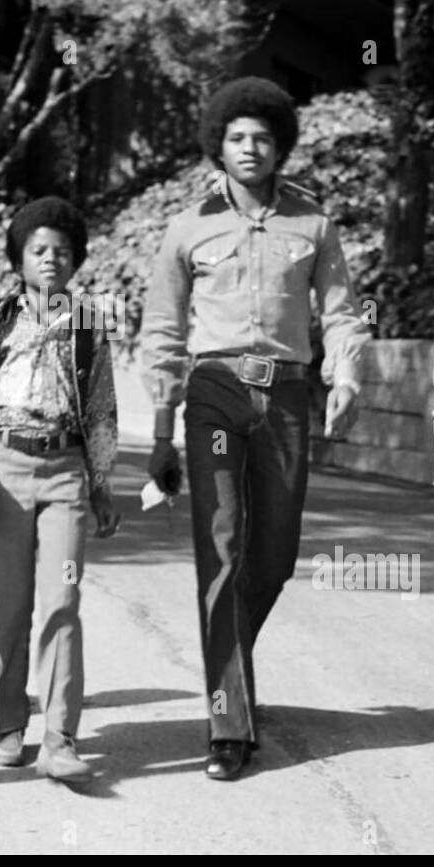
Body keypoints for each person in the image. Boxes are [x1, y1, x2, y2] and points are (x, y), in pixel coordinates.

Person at [140, 77, 369, 781]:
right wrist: (158, 429)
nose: (250, 148)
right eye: (237, 137)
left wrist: (349, 374)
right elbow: (163, 331)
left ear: (279, 146)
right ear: (220, 144)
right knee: (222, 547)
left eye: (262, 138)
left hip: (289, 395)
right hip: (214, 393)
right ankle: (229, 724)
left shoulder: (315, 224)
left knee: (273, 554)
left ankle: (227, 666)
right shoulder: (187, 228)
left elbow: (342, 310)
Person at [0, 197, 120, 785]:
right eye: (39, 250)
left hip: (65, 470)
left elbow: (100, 410)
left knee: (62, 603)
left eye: (62, 252)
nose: (51, 260)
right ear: (19, 258)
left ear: (76, 260)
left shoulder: (89, 327)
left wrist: (101, 484)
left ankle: (60, 737)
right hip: (8, 468)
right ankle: (7, 726)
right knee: (10, 608)